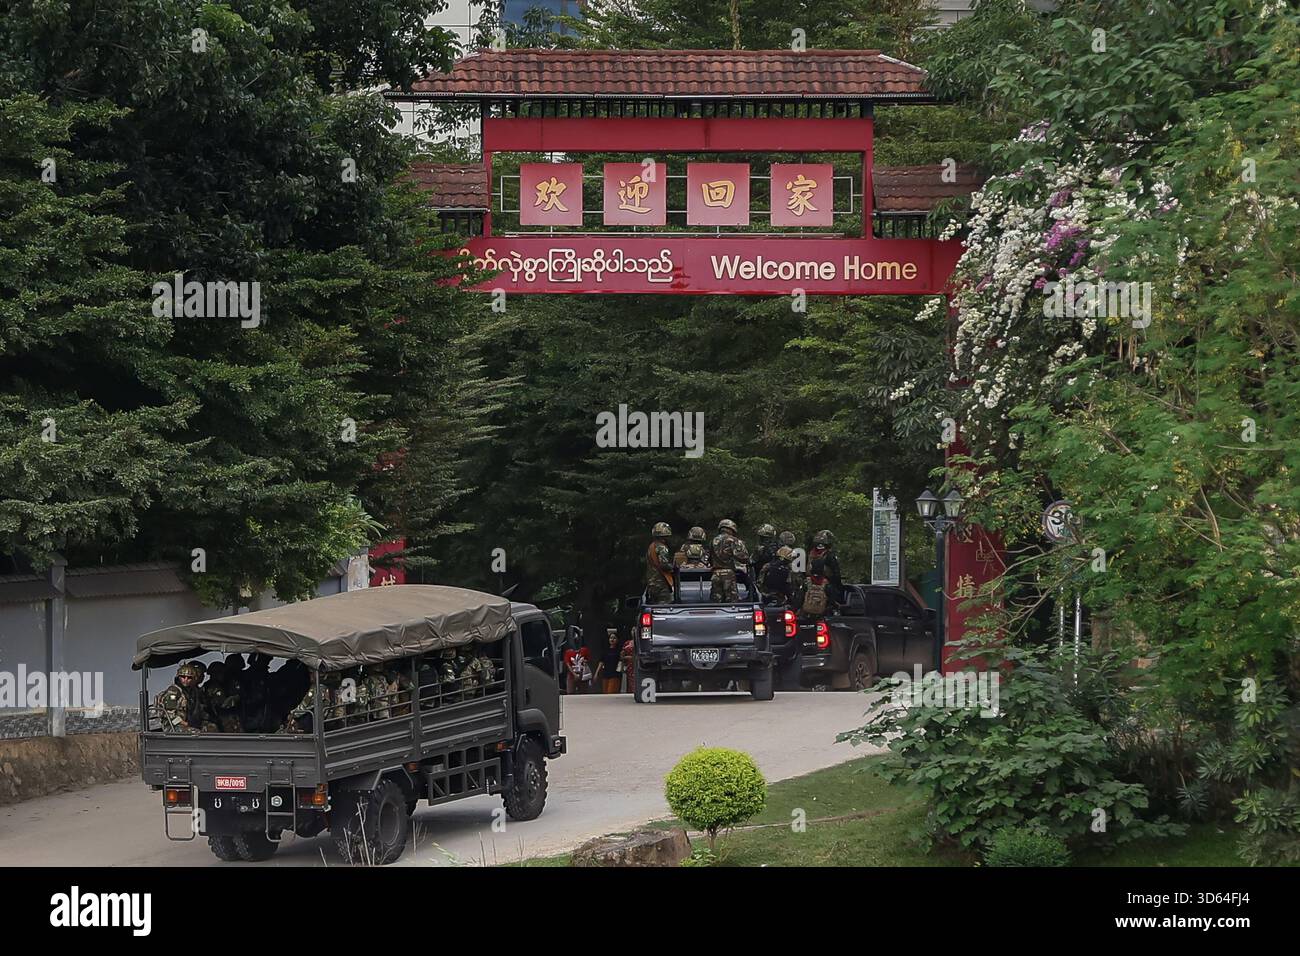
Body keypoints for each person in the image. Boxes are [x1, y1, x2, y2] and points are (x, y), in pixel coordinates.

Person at [155, 662, 208, 733]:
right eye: (183, 677)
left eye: (189, 677)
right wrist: (185, 723)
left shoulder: (193, 691)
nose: (185, 679)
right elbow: (170, 714)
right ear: (178, 677)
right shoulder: (173, 692)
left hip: (188, 724)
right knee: (195, 733)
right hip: (173, 725)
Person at [709, 518, 750, 602]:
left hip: (715, 574)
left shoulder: (713, 541)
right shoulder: (733, 540)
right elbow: (743, 557)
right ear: (731, 529)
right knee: (732, 602)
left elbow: (709, 558)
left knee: (716, 601)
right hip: (728, 574)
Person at [202, 661, 242, 733]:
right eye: (218, 673)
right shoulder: (210, 686)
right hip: (217, 717)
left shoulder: (228, 684)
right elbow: (221, 704)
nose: (222, 675)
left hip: (229, 717)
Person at [810, 529, 843, 606]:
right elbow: (836, 574)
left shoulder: (811, 554)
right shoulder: (829, 555)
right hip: (827, 585)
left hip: (810, 584)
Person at [645, 521, 676, 604]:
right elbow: (664, 565)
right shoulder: (662, 547)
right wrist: (675, 567)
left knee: (655, 606)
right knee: (664, 606)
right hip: (661, 582)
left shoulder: (652, 546)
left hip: (652, 582)